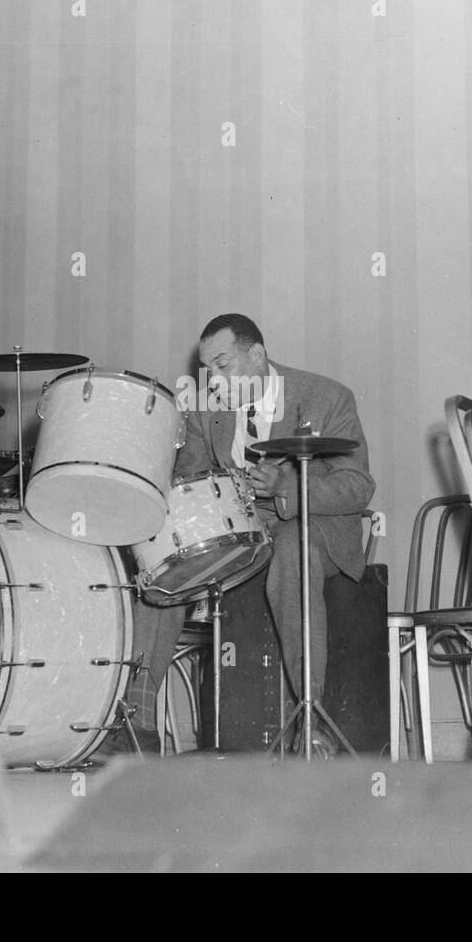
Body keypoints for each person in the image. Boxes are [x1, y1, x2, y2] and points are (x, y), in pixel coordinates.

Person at [125, 314, 375, 750]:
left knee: (293, 553)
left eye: (224, 365)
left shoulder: (326, 397)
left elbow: (358, 486)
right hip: (242, 531)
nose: (215, 381)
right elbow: (192, 479)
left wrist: (289, 490)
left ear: (257, 354)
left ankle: (310, 717)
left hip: (311, 527)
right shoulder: (207, 410)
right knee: (167, 562)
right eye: (208, 371)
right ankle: (137, 721)